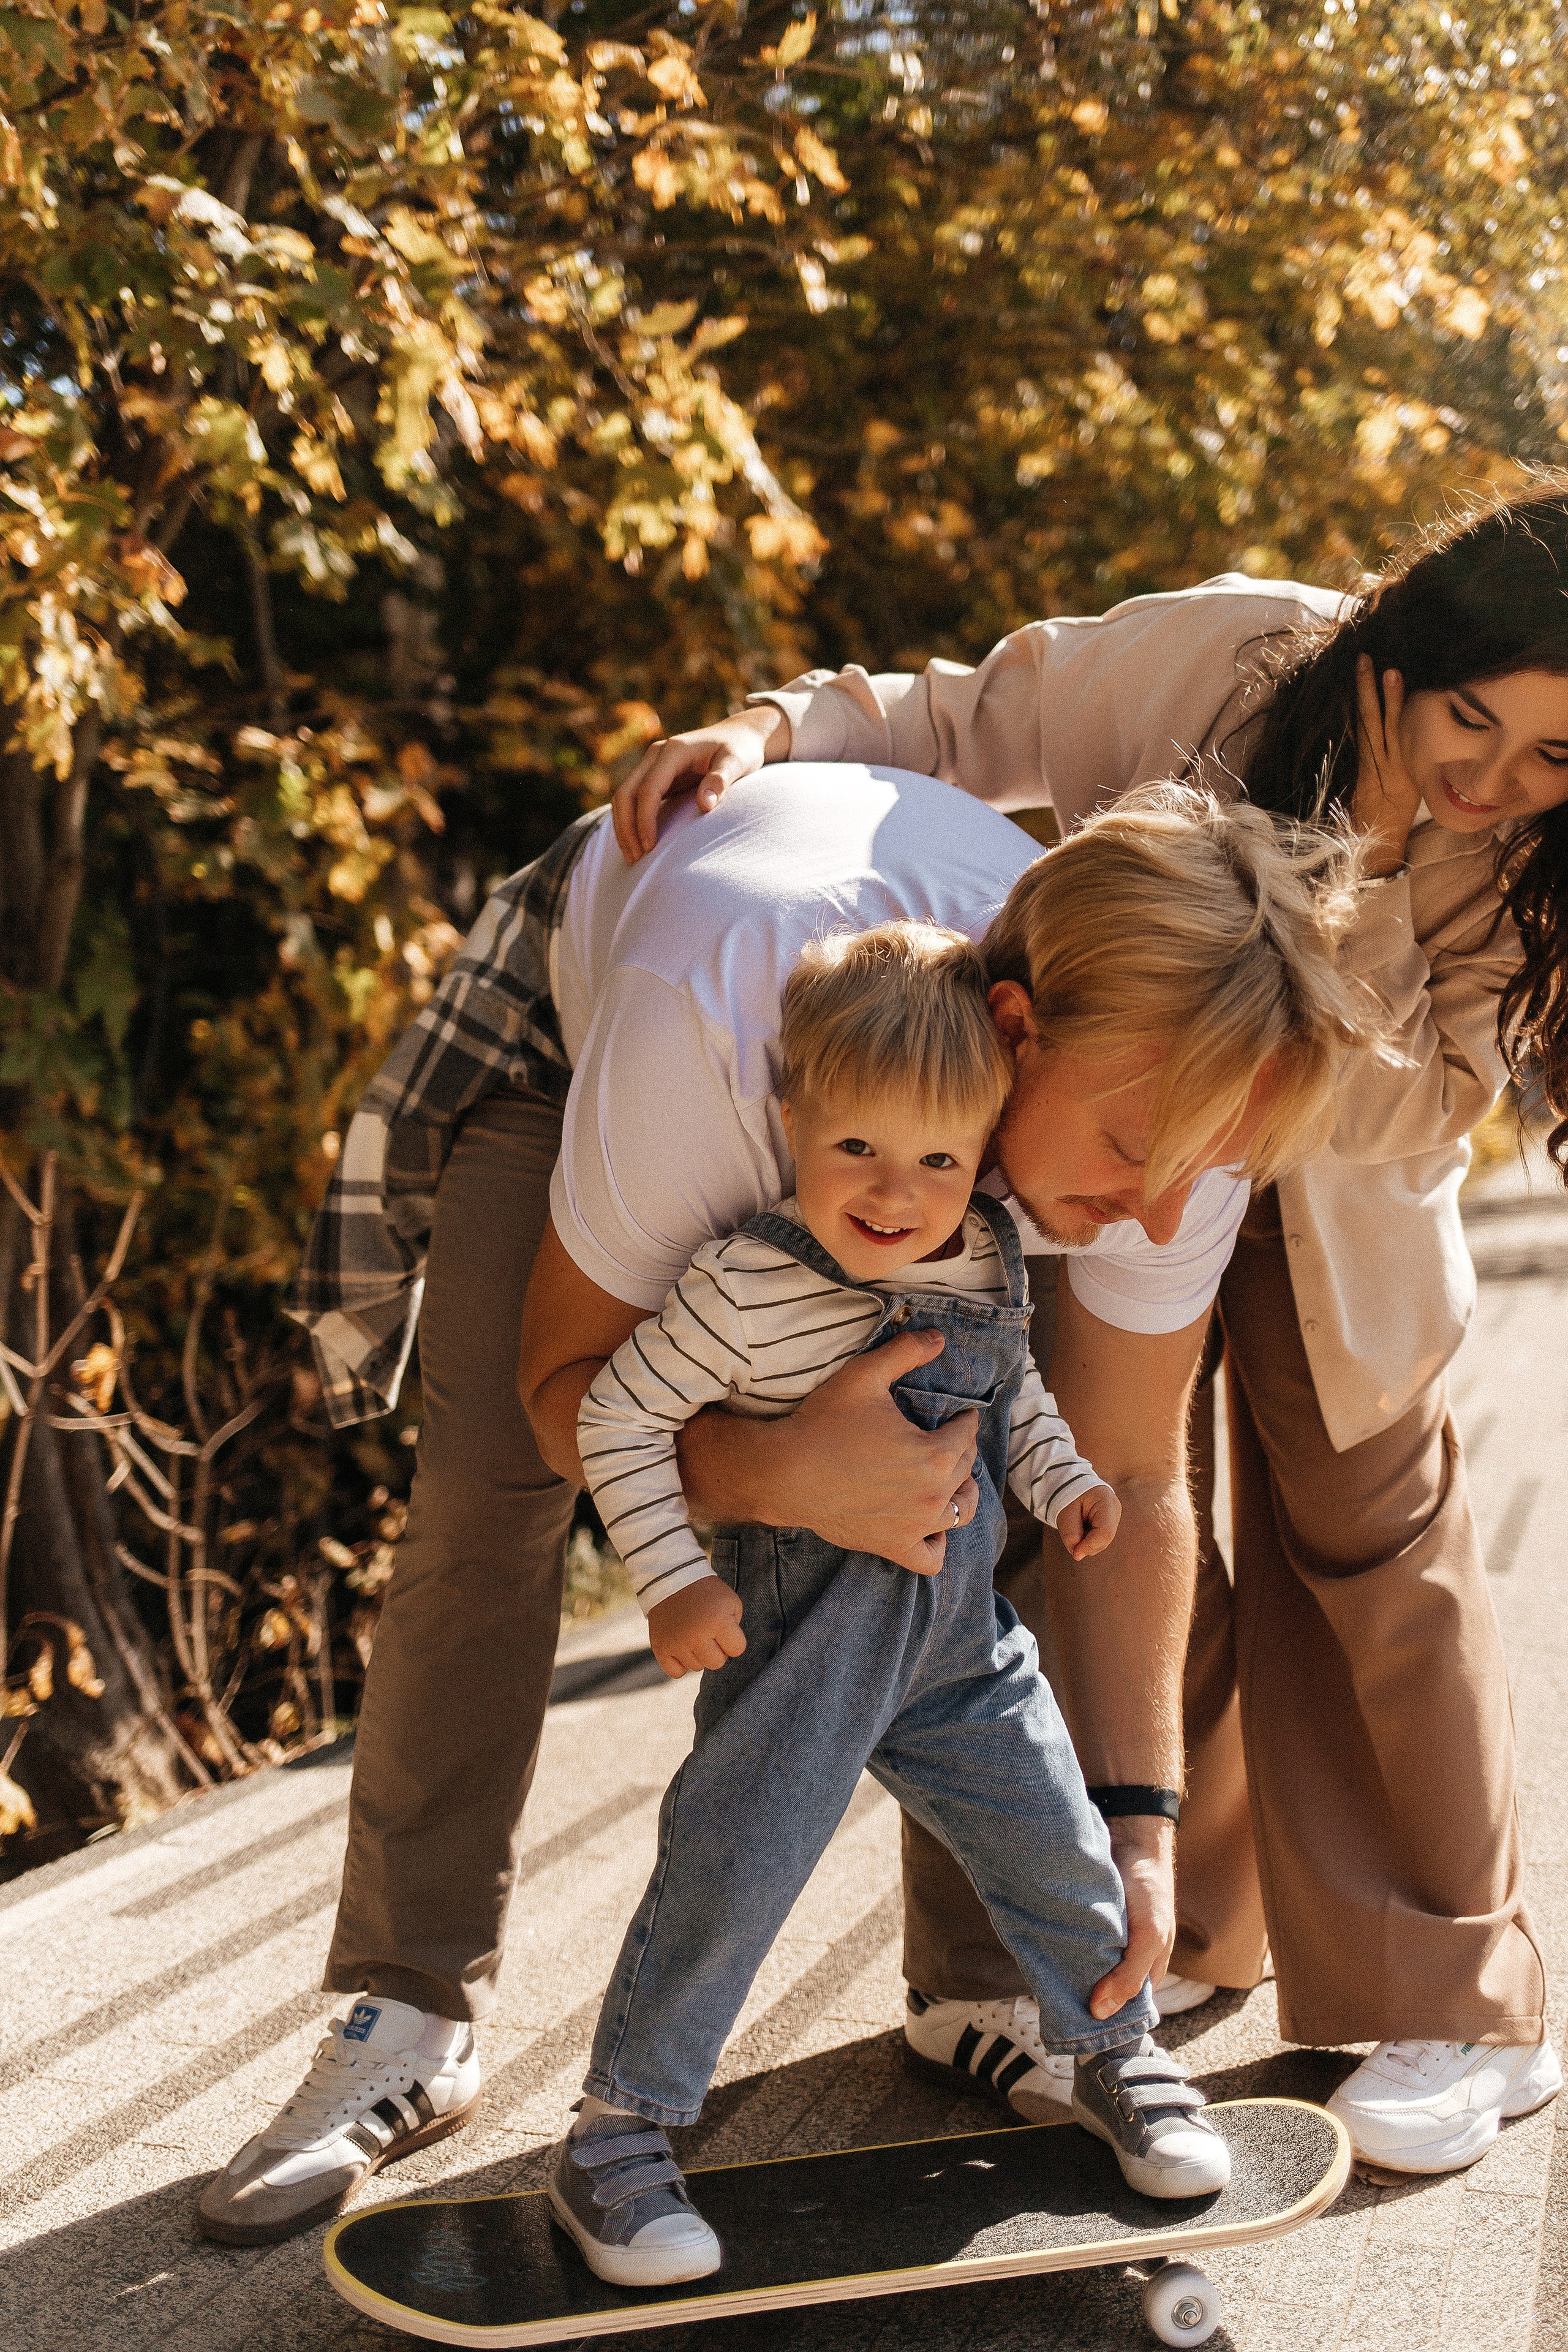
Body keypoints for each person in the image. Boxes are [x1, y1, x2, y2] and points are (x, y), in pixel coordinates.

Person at [197, 763, 1368, 2244]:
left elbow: (1130, 1470)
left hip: (911, 1137)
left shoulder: (1178, 1117)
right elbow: (569, 1385)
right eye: (1137, 1155)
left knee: (973, 1472)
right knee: (491, 1492)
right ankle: (406, 2012)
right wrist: (768, 1474)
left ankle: (982, 1992)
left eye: (1206, 1171)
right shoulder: (710, 1010)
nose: (1154, 1214)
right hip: (594, 1031)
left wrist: (1139, 1822)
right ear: (1016, 1033)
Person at [612, 481, 1568, 2176]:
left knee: (1367, 1540)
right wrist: (769, 726)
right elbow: (969, 711)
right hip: (1094, 1154)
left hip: (1336, 1208)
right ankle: (1099, 1941)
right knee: (1074, 1513)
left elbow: (1431, 1099)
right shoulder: (1232, 656)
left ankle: (1458, 1996)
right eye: (1469, 721)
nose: (1495, 778)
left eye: (1552, 756)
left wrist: (1372, 872)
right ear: (1405, 654)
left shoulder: (1512, 857)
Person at [552, 916, 1235, 2292]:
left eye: (937, 1158)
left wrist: (1061, 1481)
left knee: (1057, 1840)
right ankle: (619, 2133)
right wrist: (672, 1578)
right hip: (801, 1645)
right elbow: (616, 1418)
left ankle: (1113, 2050)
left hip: (962, 1649)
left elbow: (1013, 1393)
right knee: (730, 1868)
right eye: (856, 1144)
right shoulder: (745, 1287)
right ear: (792, 1121)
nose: (893, 1191)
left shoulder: (984, 1252)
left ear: (981, 1152)